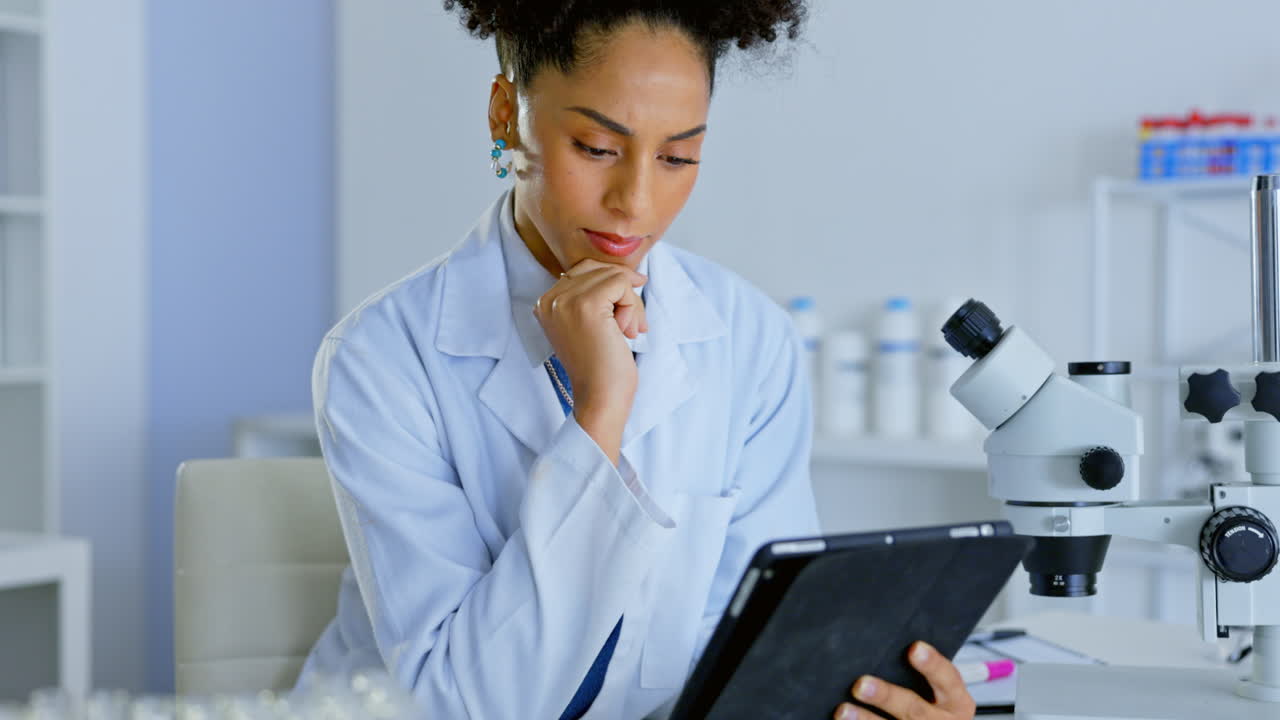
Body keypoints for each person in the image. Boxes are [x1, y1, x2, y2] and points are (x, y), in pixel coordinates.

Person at [296, 2, 978, 719]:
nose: (636, 202)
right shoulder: (382, 357)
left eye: (679, 157)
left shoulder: (748, 337)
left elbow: (755, 650)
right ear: (506, 114)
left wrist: (859, 700)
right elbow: (464, 704)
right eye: (595, 147)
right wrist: (599, 415)